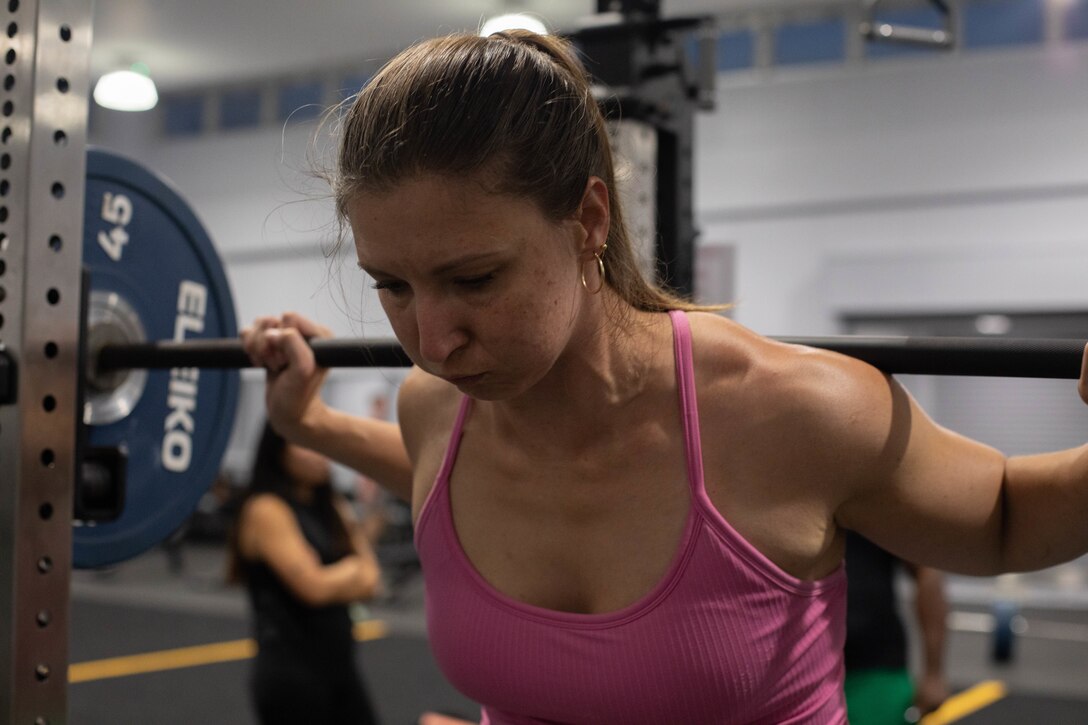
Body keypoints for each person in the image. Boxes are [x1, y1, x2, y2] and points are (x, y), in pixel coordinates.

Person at [241, 29, 1088, 724]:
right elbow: (443, 475)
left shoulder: (788, 411)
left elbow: (1007, 519)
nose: (432, 340)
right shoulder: (439, 413)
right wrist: (311, 423)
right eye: (391, 285)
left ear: (589, 222)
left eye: (475, 280)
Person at [227, 421, 383, 725]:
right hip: (292, 674)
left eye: (321, 444)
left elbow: (372, 580)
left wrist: (335, 575)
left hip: (340, 667)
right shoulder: (266, 509)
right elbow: (313, 588)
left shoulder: (330, 506)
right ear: (279, 451)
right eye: (306, 444)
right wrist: (350, 571)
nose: (319, 454)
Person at [844, 531, 949, 724]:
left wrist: (933, 673)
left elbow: (927, 571)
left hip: (874, 670)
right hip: (800, 670)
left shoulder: (874, 506)